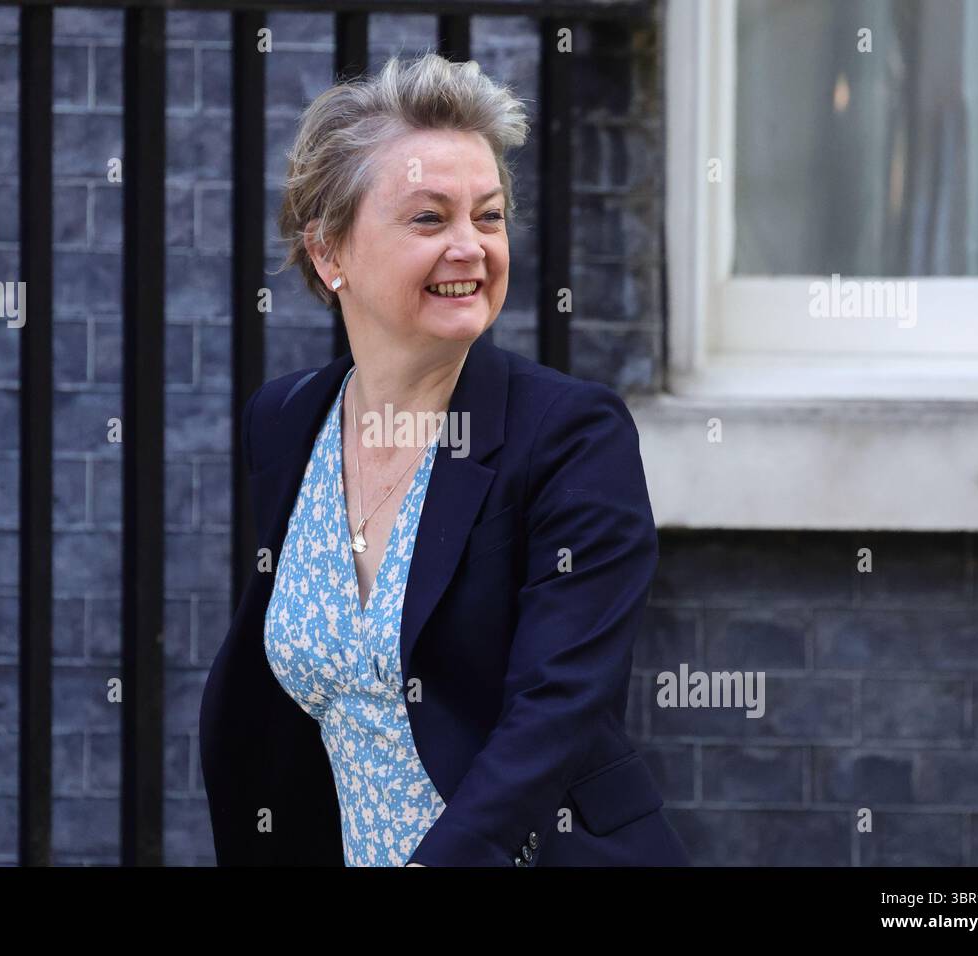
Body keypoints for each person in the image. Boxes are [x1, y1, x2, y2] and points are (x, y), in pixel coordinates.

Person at [199, 51, 689, 867]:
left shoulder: (572, 434)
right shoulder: (284, 422)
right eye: (430, 219)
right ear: (330, 254)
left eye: (488, 217)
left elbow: (557, 708)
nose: (470, 247)